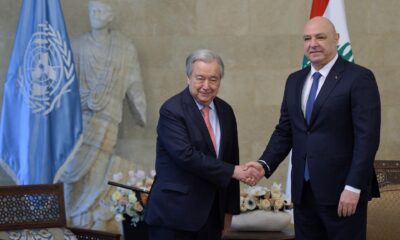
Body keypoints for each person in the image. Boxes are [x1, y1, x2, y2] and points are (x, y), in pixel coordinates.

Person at [248, 17, 381, 240]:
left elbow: (367, 139)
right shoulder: (294, 80)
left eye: (320, 37)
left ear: (336, 39)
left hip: (343, 194)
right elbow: (285, 131)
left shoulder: (359, 78)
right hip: (303, 193)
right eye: (307, 38)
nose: (313, 43)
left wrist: (354, 187)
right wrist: (264, 164)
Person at [145, 49, 264, 240]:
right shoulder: (172, 110)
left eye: (213, 79)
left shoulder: (225, 111)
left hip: (211, 217)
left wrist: (229, 211)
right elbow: (186, 156)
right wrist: (233, 170)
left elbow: (232, 157)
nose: (206, 86)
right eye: (200, 78)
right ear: (188, 78)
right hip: (174, 217)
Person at [60, 0, 146, 231]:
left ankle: (88, 215)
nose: (96, 14)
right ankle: (67, 216)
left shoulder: (124, 47)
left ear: (111, 16)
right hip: (79, 122)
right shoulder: (76, 45)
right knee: (72, 170)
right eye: (93, 10)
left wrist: (141, 110)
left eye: (102, 10)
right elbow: (63, 84)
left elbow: (134, 81)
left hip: (107, 118)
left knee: (99, 168)